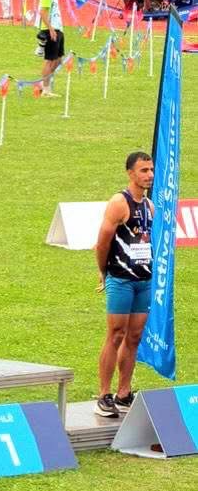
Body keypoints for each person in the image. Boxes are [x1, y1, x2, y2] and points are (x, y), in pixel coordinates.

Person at [95, 152, 154, 418]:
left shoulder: (149, 206)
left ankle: (123, 392)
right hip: (121, 279)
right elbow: (103, 242)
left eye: (151, 169)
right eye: (143, 170)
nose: (149, 175)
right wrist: (103, 272)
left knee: (134, 337)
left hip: (143, 280)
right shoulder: (120, 203)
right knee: (116, 334)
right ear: (130, 173)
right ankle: (104, 394)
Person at [38, 0, 66, 97]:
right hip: (51, 30)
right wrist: (50, 29)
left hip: (58, 29)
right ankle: (46, 90)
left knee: (59, 60)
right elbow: (43, 12)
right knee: (49, 60)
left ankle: (43, 83)